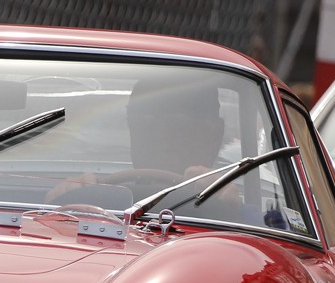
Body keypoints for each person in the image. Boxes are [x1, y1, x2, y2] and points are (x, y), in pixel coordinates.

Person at [49, 71, 226, 203]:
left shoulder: (232, 205)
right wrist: (66, 198)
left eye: (176, 122)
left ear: (213, 135)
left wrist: (229, 204)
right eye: (143, 121)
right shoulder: (95, 199)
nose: (158, 133)